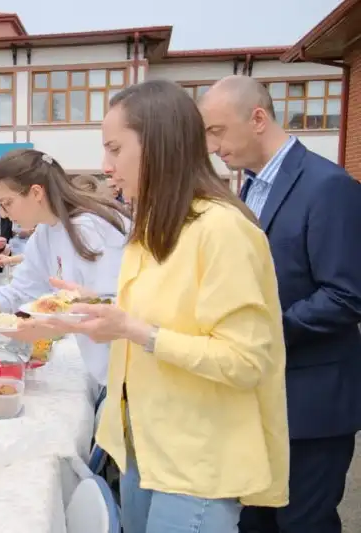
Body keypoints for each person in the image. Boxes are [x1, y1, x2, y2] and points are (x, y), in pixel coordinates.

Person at [39, 79, 290, 532]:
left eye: (115, 149)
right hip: (144, 448)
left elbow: (245, 359)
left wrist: (136, 332)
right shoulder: (154, 225)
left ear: (156, 145)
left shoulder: (221, 230)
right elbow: (164, 313)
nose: (105, 165)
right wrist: (96, 306)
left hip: (195, 463)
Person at [199, 75, 361, 533]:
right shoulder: (248, 188)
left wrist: (259, 332)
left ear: (257, 118)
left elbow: (346, 295)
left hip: (311, 402)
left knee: (303, 523)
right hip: (259, 396)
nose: (212, 147)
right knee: (255, 524)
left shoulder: (328, 186)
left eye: (217, 131)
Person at [0, 148, 128, 391]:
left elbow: (116, 309)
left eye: (8, 203)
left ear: (36, 192)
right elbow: (19, 291)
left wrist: (46, 328)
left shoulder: (91, 229)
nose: (5, 213)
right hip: (106, 373)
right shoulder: (46, 231)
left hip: (130, 372)